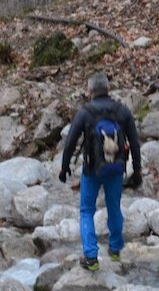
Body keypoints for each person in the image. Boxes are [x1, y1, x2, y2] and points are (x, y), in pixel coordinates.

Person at [59, 72, 142, 270]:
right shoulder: (122, 111)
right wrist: (137, 170)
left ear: (89, 91)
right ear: (108, 89)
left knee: (87, 210)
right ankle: (114, 250)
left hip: (92, 170)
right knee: (114, 206)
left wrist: (64, 167)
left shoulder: (85, 112)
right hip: (116, 168)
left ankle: (90, 257)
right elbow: (135, 143)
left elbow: (70, 142)